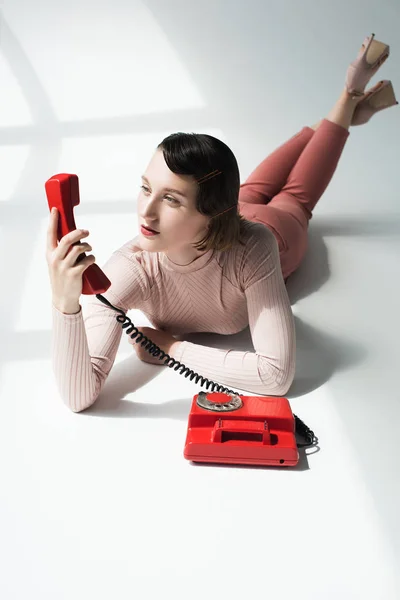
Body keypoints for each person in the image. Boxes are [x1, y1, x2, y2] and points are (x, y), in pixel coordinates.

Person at [47, 34, 397, 413]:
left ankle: (348, 98)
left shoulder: (255, 247)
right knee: (253, 187)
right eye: (146, 188)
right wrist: (65, 305)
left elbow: (276, 375)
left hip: (279, 230)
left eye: (170, 199)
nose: (145, 213)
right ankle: (339, 115)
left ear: (212, 212)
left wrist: (168, 348)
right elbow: (78, 398)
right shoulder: (130, 266)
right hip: (234, 199)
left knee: (293, 198)